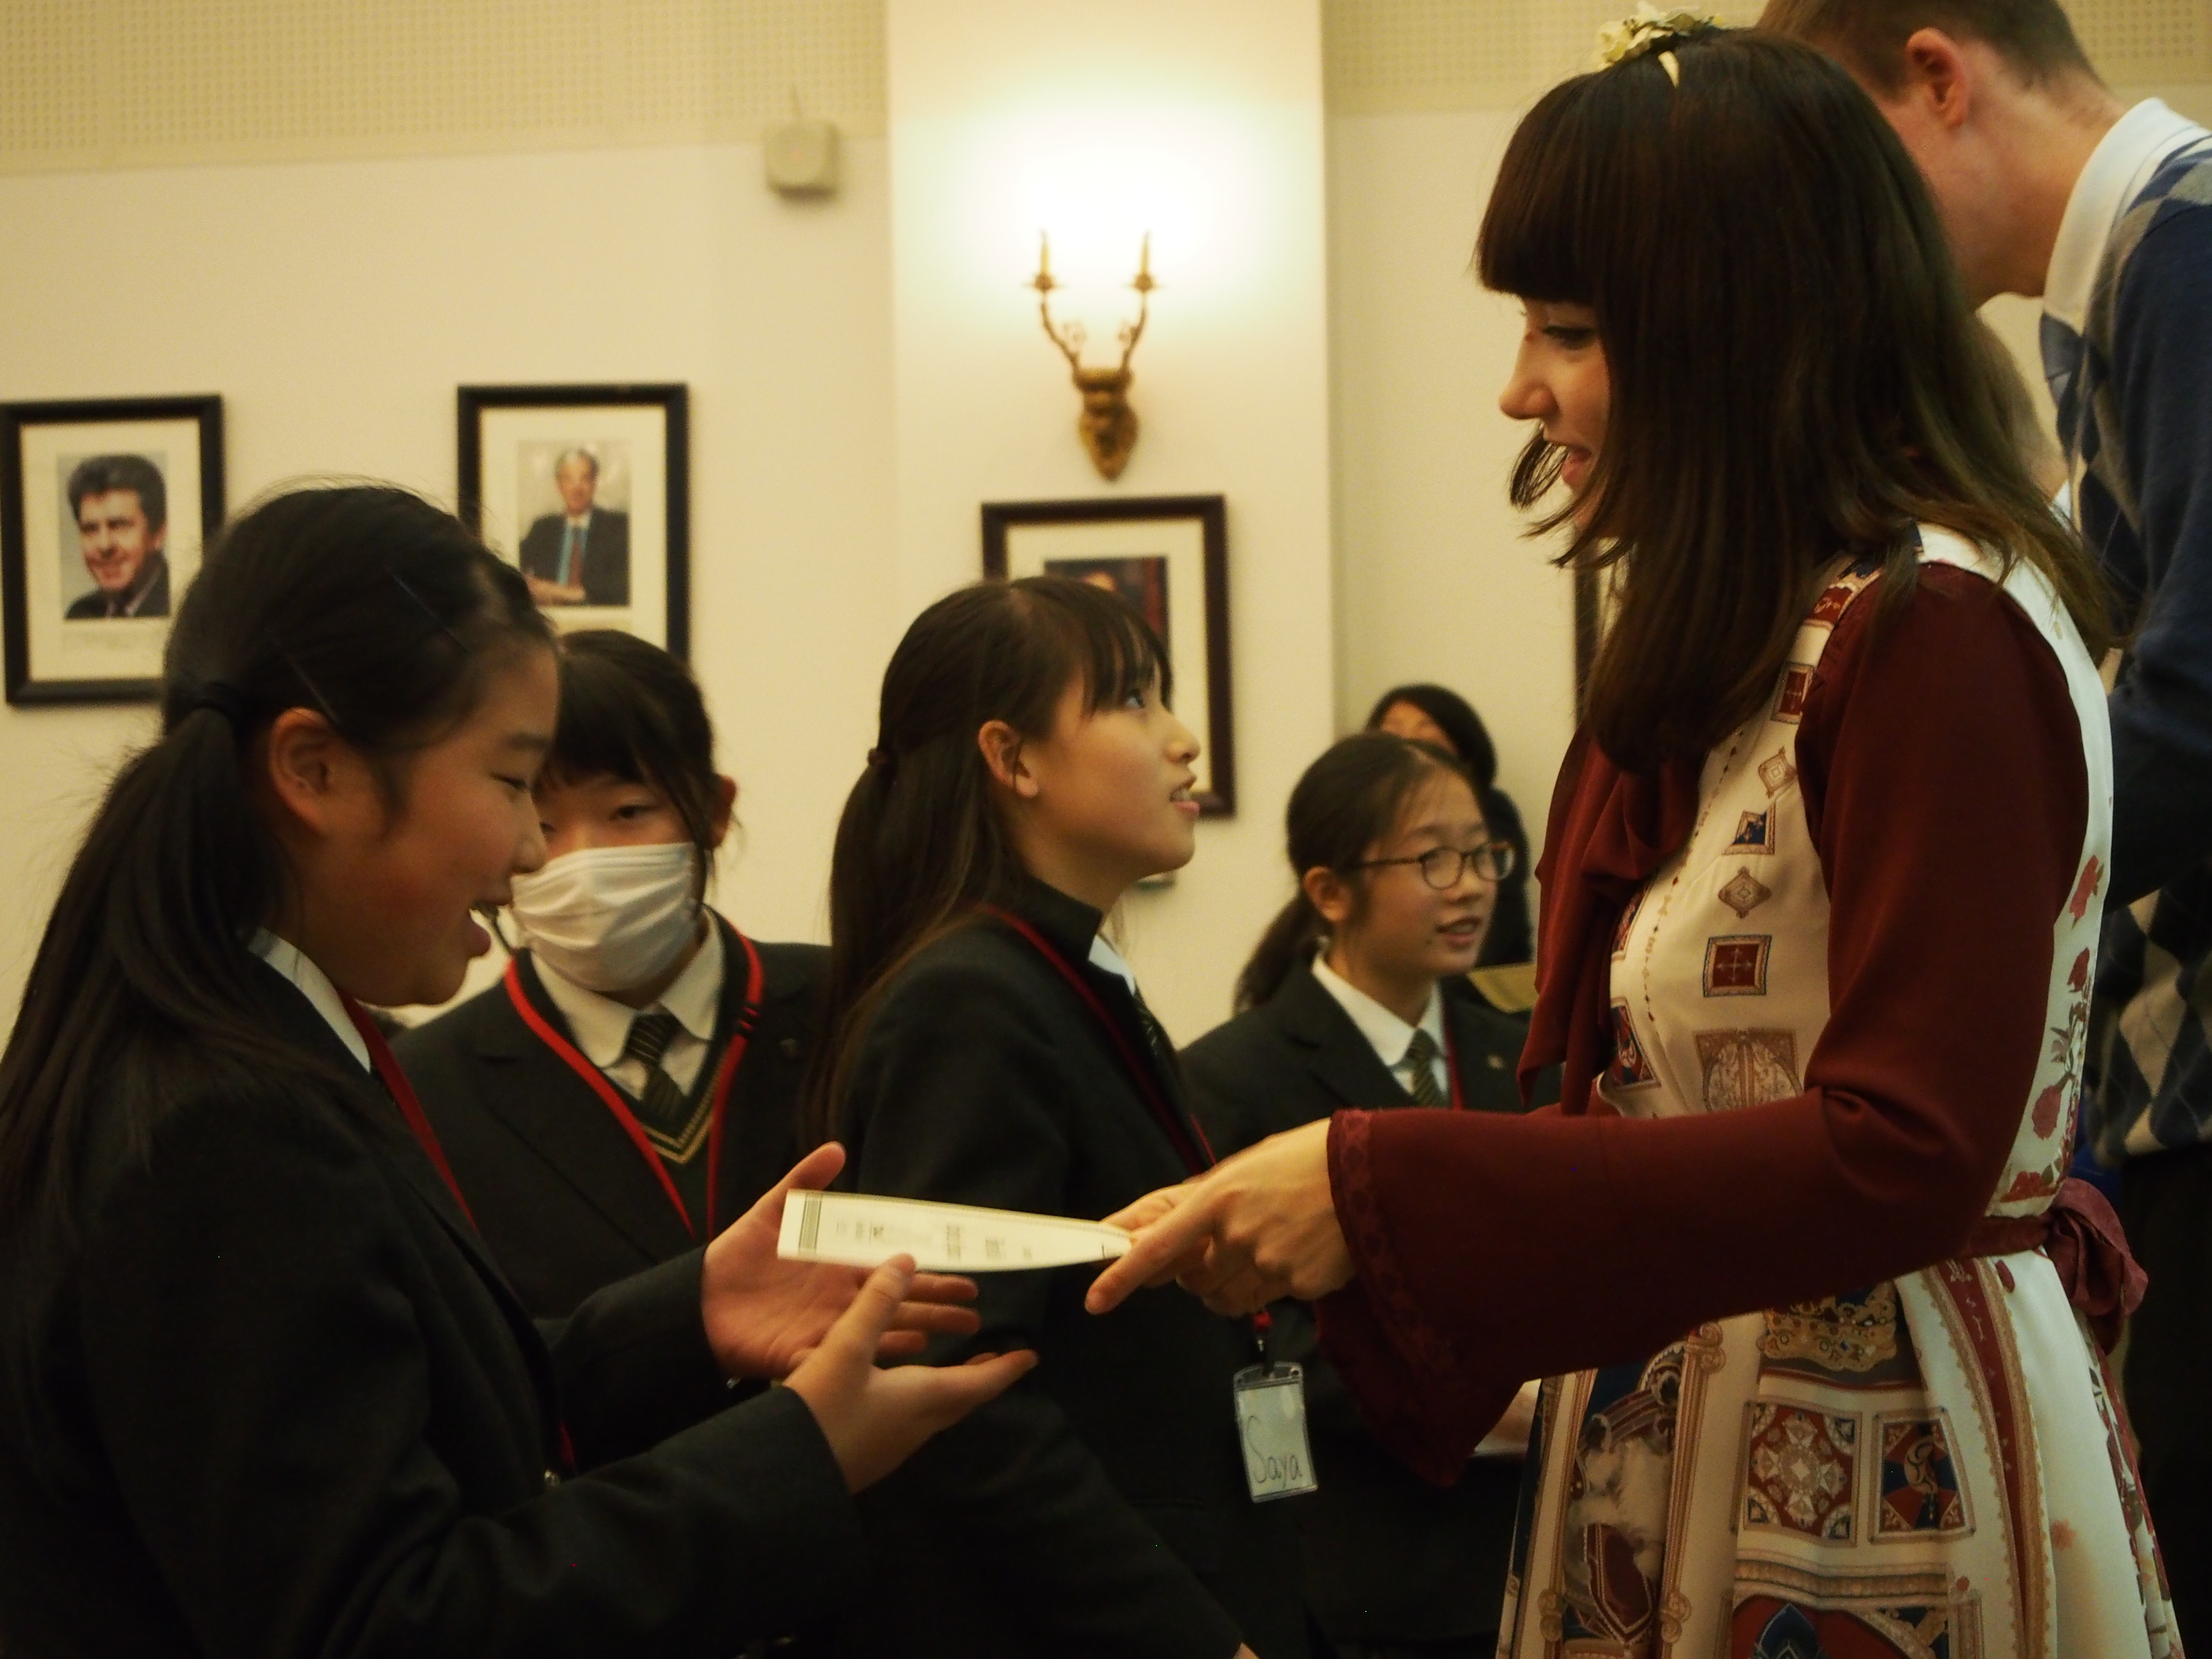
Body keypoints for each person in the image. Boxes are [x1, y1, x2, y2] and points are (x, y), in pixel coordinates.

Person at [1088, 24, 2182, 1657]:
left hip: (1884, 1470)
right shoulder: (1779, 630)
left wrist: (1382, 1183)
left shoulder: (1933, 628)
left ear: (1733, 330)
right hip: (1697, 1434)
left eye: (1569, 330)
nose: (1518, 389)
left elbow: (1907, 1145)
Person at [0, 484, 1030, 1656]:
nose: (537, 851)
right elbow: (391, 1619)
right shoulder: (225, 1127)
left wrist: (688, 1314)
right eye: (511, 783)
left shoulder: (250, 1045)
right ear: (315, 770)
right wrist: (802, 1452)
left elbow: (399, 1400)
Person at [1757, 2, 2212, 1635]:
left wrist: (1944, 890)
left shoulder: (2183, 248)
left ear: (1938, 78)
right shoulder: (2114, 283)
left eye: (1839, 167)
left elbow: (2194, 708)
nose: (1834, 237)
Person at [819, 575, 1304, 1659]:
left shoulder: (1060, 973)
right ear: (1013, 757)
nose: (1182, 740)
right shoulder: (971, 998)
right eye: (1133, 700)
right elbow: (964, 1390)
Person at [1181, 731, 1535, 1659]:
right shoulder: (1233, 1077)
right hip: (1355, 1570)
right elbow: (1253, 1341)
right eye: (1432, 859)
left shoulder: (1522, 1059)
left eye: (1483, 854)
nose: (1470, 886)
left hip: (1529, 1552)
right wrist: (1484, 1404)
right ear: (1329, 892)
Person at [397, 630, 827, 1320]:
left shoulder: (854, 1008)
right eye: (542, 823)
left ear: (714, 811)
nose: (584, 860)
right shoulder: (422, 1088)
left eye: (629, 812)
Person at [1363, 685, 1534, 967]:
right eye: (1394, 737)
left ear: (1465, 757)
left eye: (1426, 744)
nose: (1409, 757)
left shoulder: (1490, 810)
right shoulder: (1366, 816)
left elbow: (1498, 926)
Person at [519, 447, 630, 607]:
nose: (576, 488)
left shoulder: (618, 527)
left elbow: (623, 587)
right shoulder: (542, 529)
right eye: (569, 479)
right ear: (559, 485)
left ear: (595, 483)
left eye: (584, 479)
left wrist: (565, 593)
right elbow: (514, 573)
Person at [64, 453, 170, 619]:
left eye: (119, 526)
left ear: (158, 534)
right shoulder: (80, 614)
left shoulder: (179, 609)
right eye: (91, 529)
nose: (104, 545)